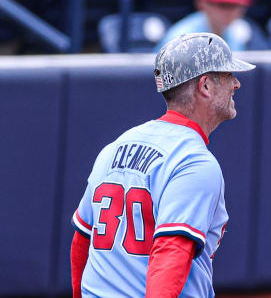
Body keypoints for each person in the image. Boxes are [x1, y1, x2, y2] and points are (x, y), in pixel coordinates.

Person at [70, 33, 255, 297]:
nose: (236, 84)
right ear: (205, 86)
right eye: (228, 76)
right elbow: (171, 254)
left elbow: (81, 241)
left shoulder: (116, 146)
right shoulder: (194, 161)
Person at [155, 0, 253, 51]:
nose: (230, 12)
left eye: (235, 5)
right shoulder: (181, 39)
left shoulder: (237, 32)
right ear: (202, 3)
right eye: (223, 5)